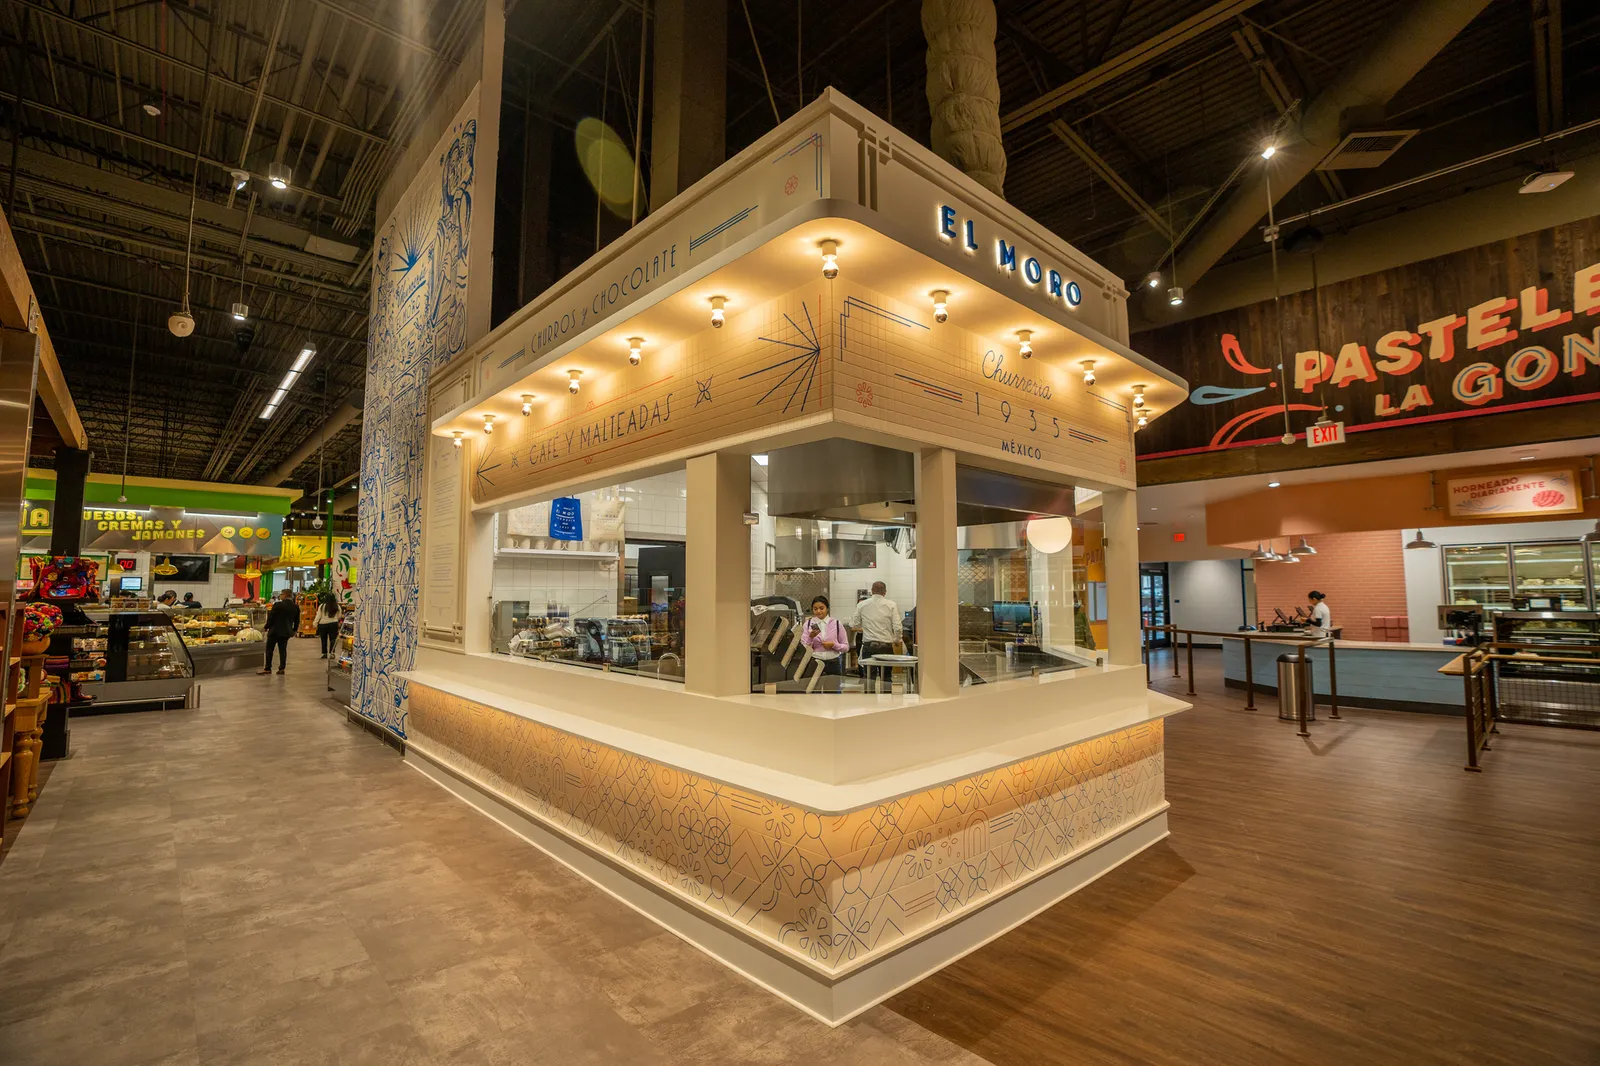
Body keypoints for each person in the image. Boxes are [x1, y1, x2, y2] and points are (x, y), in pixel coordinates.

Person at [848, 581, 902, 675]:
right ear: (885, 592)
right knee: (886, 677)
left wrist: (864, 625)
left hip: (869, 647)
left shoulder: (862, 605)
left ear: (872, 591)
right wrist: (897, 640)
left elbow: (854, 625)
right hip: (886, 646)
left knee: (869, 677)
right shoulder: (892, 605)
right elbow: (897, 627)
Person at [798, 595, 848, 679]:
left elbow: (846, 647)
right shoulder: (808, 624)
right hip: (815, 662)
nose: (818, 611)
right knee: (814, 690)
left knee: (832, 689)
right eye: (815, 609)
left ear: (827, 608)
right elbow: (804, 647)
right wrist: (810, 637)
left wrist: (833, 645)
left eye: (821, 608)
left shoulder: (836, 624)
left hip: (833, 662)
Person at [259, 590, 300, 675]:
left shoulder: (277, 605)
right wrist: (294, 630)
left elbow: (271, 618)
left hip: (274, 631)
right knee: (283, 650)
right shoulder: (295, 607)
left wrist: (266, 627)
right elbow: (297, 621)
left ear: (284, 595)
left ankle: (268, 668)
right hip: (286, 632)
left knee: (269, 650)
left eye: (281, 594)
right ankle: (282, 668)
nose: (280, 596)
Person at [315, 592, 342, 658]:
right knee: (333, 639)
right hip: (333, 624)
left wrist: (315, 624)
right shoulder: (337, 606)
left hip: (323, 625)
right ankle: (332, 653)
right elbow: (339, 616)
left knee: (323, 639)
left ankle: (324, 653)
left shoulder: (322, 606)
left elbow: (318, 616)